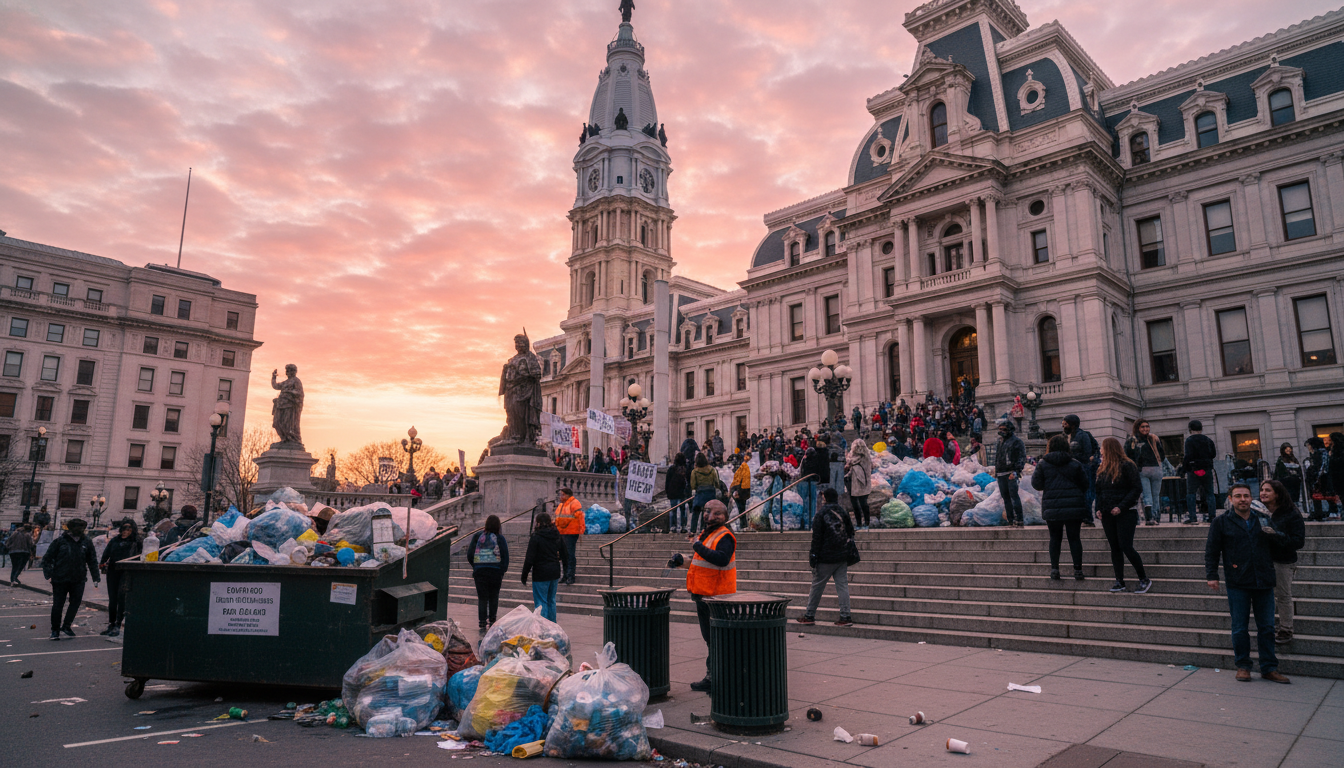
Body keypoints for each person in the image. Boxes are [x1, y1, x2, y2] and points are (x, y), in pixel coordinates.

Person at [1205, 484, 1290, 683]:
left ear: (1251, 498)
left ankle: (1269, 667)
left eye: (1246, 496)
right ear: (1230, 499)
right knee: (1240, 627)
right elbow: (1212, 551)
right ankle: (1243, 665)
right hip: (1238, 581)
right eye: (1238, 496)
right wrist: (1212, 575)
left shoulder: (1263, 518)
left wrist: (1274, 534)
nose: (1242, 499)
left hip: (1264, 580)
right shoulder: (1221, 522)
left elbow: (1284, 541)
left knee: (1267, 627)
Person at [682, 500, 736, 693]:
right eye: (706, 511)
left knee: (717, 640)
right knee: (710, 639)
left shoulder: (725, 536)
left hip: (717, 597)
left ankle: (720, 679)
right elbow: (702, 562)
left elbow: (721, 559)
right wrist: (682, 561)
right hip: (703, 594)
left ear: (724, 516)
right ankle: (712, 677)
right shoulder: (708, 534)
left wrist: (696, 545)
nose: (708, 516)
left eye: (714, 512)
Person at [1096, 437, 1151, 593]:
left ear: (1109, 449)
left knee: (1126, 546)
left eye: (1102, 447)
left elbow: (1136, 488)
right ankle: (1119, 580)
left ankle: (1143, 578)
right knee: (1115, 548)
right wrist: (1098, 508)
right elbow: (1099, 491)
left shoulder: (1127, 466)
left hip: (1125, 512)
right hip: (1107, 512)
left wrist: (1121, 506)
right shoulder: (1102, 468)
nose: (1100, 450)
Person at [1033, 435, 1091, 581]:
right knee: (1074, 538)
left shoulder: (1043, 463)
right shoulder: (1075, 463)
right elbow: (1085, 484)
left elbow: (1036, 484)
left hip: (1052, 506)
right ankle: (1078, 570)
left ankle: (1055, 569)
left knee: (1054, 538)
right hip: (1074, 507)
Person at [797, 488, 855, 626]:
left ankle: (809, 615)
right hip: (842, 556)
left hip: (826, 556)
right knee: (842, 586)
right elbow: (851, 531)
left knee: (817, 586)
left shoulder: (821, 514)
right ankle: (845, 616)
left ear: (825, 498)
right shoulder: (843, 512)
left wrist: (813, 555)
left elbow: (816, 538)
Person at [1259, 479, 1305, 645]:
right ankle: (1268, 626)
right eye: (1262, 489)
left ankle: (1286, 628)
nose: (1263, 493)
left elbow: (1299, 541)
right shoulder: (1258, 510)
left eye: (1268, 490)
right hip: (1263, 559)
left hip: (1283, 560)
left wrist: (1275, 535)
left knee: (1283, 596)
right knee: (1264, 596)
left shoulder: (1290, 513)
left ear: (1277, 494)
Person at [42, 518, 100, 640]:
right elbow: (47, 559)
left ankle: (66, 626)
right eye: (77, 527)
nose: (79, 530)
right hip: (60, 579)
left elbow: (92, 560)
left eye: (81, 527)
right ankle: (55, 630)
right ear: (71, 528)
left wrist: (96, 577)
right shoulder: (60, 541)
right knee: (58, 605)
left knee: (75, 603)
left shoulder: (86, 542)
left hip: (78, 579)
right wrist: (49, 575)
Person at [466, 515, 510, 630]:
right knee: (494, 596)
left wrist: (476, 566)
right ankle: (492, 619)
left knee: (482, 598)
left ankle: (481, 621)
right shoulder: (500, 538)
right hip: (495, 572)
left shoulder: (477, 536)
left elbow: (470, 554)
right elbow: (505, 555)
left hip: (480, 571)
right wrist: (502, 570)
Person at [99, 521, 141, 637]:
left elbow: (141, 555)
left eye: (129, 529)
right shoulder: (115, 540)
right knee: (112, 599)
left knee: (121, 598)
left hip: (127, 571)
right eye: (124, 528)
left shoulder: (136, 541)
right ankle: (111, 623)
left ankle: (118, 623)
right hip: (113, 570)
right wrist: (102, 563)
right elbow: (107, 552)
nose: (125, 531)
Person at [520, 512, 562, 622]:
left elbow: (530, 558)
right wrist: (566, 569)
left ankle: (543, 627)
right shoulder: (556, 534)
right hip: (554, 571)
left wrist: (524, 575)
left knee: (541, 602)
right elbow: (564, 552)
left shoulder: (536, 537)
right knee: (551, 600)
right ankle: (553, 626)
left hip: (540, 573)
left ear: (538, 523)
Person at [1125, 419, 1166, 526]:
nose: (1145, 429)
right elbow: (1162, 455)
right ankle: (1153, 517)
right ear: (1137, 427)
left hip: (1148, 469)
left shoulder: (1133, 440)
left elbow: (1128, 456)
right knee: (1150, 495)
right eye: (1143, 427)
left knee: (1151, 495)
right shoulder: (1153, 438)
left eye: (1147, 426)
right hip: (1149, 469)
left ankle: (1152, 517)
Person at [1062, 415, 1100, 525]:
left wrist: (1085, 460)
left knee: (1087, 493)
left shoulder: (1083, 435)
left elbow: (1088, 452)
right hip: (1072, 469)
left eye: (1065, 423)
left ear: (1072, 424)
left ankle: (1087, 518)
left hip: (1084, 468)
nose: (1063, 426)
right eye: (1063, 424)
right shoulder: (1065, 437)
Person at [1183, 420, 1217, 524]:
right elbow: (1213, 454)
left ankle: (1193, 517)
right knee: (1210, 493)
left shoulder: (1189, 441)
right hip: (1206, 469)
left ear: (1190, 429)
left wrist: (1185, 468)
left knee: (1191, 494)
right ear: (1201, 429)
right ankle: (1212, 516)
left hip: (1194, 470)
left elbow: (1188, 456)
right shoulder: (1208, 440)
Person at [994, 419, 1027, 527]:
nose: (1001, 431)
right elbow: (998, 457)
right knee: (1006, 498)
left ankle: (1019, 519)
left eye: (1004, 429)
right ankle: (1010, 519)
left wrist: (1016, 471)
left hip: (1011, 473)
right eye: (1000, 429)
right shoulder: (1000, 442)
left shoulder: (1016, 441)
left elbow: (1021, 458)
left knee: (1014, 497)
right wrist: (996, 471)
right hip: (1001, 473)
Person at [553, 488, 584, 585]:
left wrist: (581, 532)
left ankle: (571, 576)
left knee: (570, 555)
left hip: (571, 533)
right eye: (560, 495)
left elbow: (580, 517)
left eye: (562, 495)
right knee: (563, 555)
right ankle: (565, 575)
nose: (560, 497)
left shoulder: (574, 503)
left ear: (568, 495)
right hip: (561, 533)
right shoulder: (561, 505)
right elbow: (558, 518)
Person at [689, 454, 723, 534]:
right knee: (706, 513)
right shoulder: (712, 470)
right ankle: (703, 529)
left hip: (700, 494)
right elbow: (716, 482)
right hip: (710, 494)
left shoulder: (695, 472)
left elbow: (693, 485)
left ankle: (693, 530)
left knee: (696, 513)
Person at [1303, 436, 1336, 521]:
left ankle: (1319, 513)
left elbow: (1318, 468)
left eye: (1309, 445)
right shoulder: (1324, 453)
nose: (1308, 448)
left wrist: (1311, 474)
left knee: (1318, 497)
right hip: (1325, 480)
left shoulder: (1318, 454)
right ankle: (1328, 512)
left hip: (1320, 480)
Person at [845, 439, 873, 529]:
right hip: (862, 482)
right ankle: (864, 523)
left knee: (859, 503)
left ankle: (861, 523)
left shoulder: (857, 459)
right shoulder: (867, 457)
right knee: (862, 503)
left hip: (859, 482)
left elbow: (851, 463)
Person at [800, 447, 829, 530]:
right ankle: (812, 520)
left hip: (805, 482)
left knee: (805, 501)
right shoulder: (817, 462)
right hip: (813, 482)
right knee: (813, 501)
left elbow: (801, 471)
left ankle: (805, 521)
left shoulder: (805, 462)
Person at [1273, 444, 1303, 510]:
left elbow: (1299, 469)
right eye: (1287, 450)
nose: (1289, 452)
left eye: (1290, 450)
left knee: (1295, 496)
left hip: (1295, 481)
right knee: (1288, 495)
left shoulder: (1294, 459)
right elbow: (1278, 471)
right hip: (1286, 481)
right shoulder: (1281, 459)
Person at [666, 453, 690, 533]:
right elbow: (689, 481)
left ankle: (673, 526)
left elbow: (667, 481)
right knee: (683, 510)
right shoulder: (685, 469)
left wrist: (667, 492)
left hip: (672, 492)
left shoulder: (671, 469)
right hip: (682, 492)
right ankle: (683, 526)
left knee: (673, 510)